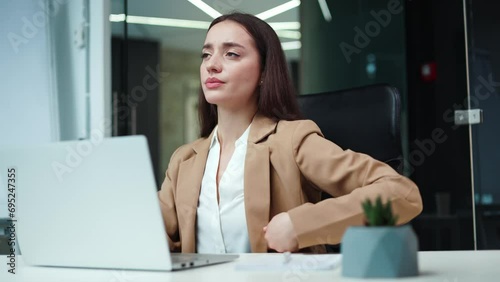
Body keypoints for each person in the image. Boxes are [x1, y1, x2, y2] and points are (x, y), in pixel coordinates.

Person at [157, 12, 423, 254]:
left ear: (263, 72)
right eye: (206, 54)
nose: (211, 65)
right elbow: (152, 235)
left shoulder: (293, 141)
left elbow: (401, 194)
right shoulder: (184, 160)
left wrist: (302, 225)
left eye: (231, 54)